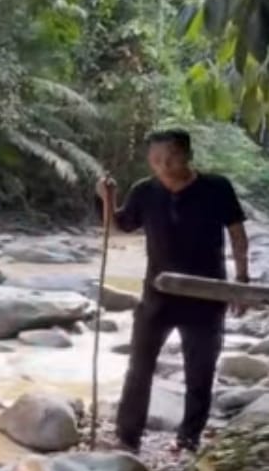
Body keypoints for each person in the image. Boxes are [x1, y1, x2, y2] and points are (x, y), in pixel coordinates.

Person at [96, 128, 249, 454]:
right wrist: (108, 198)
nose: (163, 166)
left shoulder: (216, 188)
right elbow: (120, 227)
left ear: (188, 155)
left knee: (201, 369)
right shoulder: (144, 191)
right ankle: (128, 436)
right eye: (155, 159)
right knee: (139, 366)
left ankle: (189, 437)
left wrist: (241, 281)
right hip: (158, 295)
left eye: (171, 158)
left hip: (207, 295)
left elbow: (237, 233)